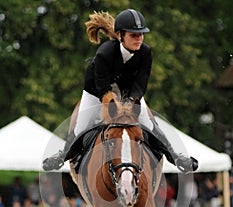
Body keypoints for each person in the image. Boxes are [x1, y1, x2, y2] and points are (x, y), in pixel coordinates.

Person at [43, 9, 198, 174]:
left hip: (128, 93)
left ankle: (176, 157)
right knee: (81, 126)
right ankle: (61, 156)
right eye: (133, 35)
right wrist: (114, 106)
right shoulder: (104, 53)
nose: (139, 39)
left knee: (150, 124)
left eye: (141, 35)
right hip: (97, 92)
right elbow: (103, 88)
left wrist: (132, 101)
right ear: (120, 35)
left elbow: (141, 83)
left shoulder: (146, 53)